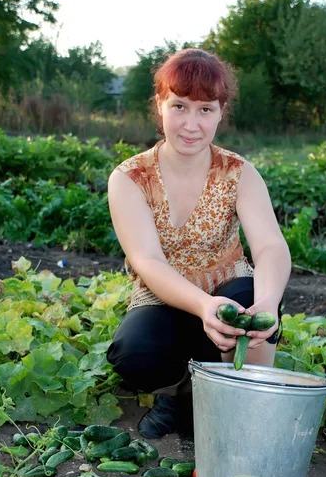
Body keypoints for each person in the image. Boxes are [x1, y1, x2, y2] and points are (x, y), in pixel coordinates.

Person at [107, 48, 291, 439]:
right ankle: (179, 394)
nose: (191, 124)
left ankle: (236, 399)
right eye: (179, 106)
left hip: (229, 284)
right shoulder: (129, 178)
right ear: (160, 105)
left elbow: (271, 248)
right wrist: (204, 306)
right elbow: (147, 260)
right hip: (164, 292)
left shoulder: (238, 172)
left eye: (205, 109)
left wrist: (269, 303)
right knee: (133, 351)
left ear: (221, 111)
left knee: (246, 309)